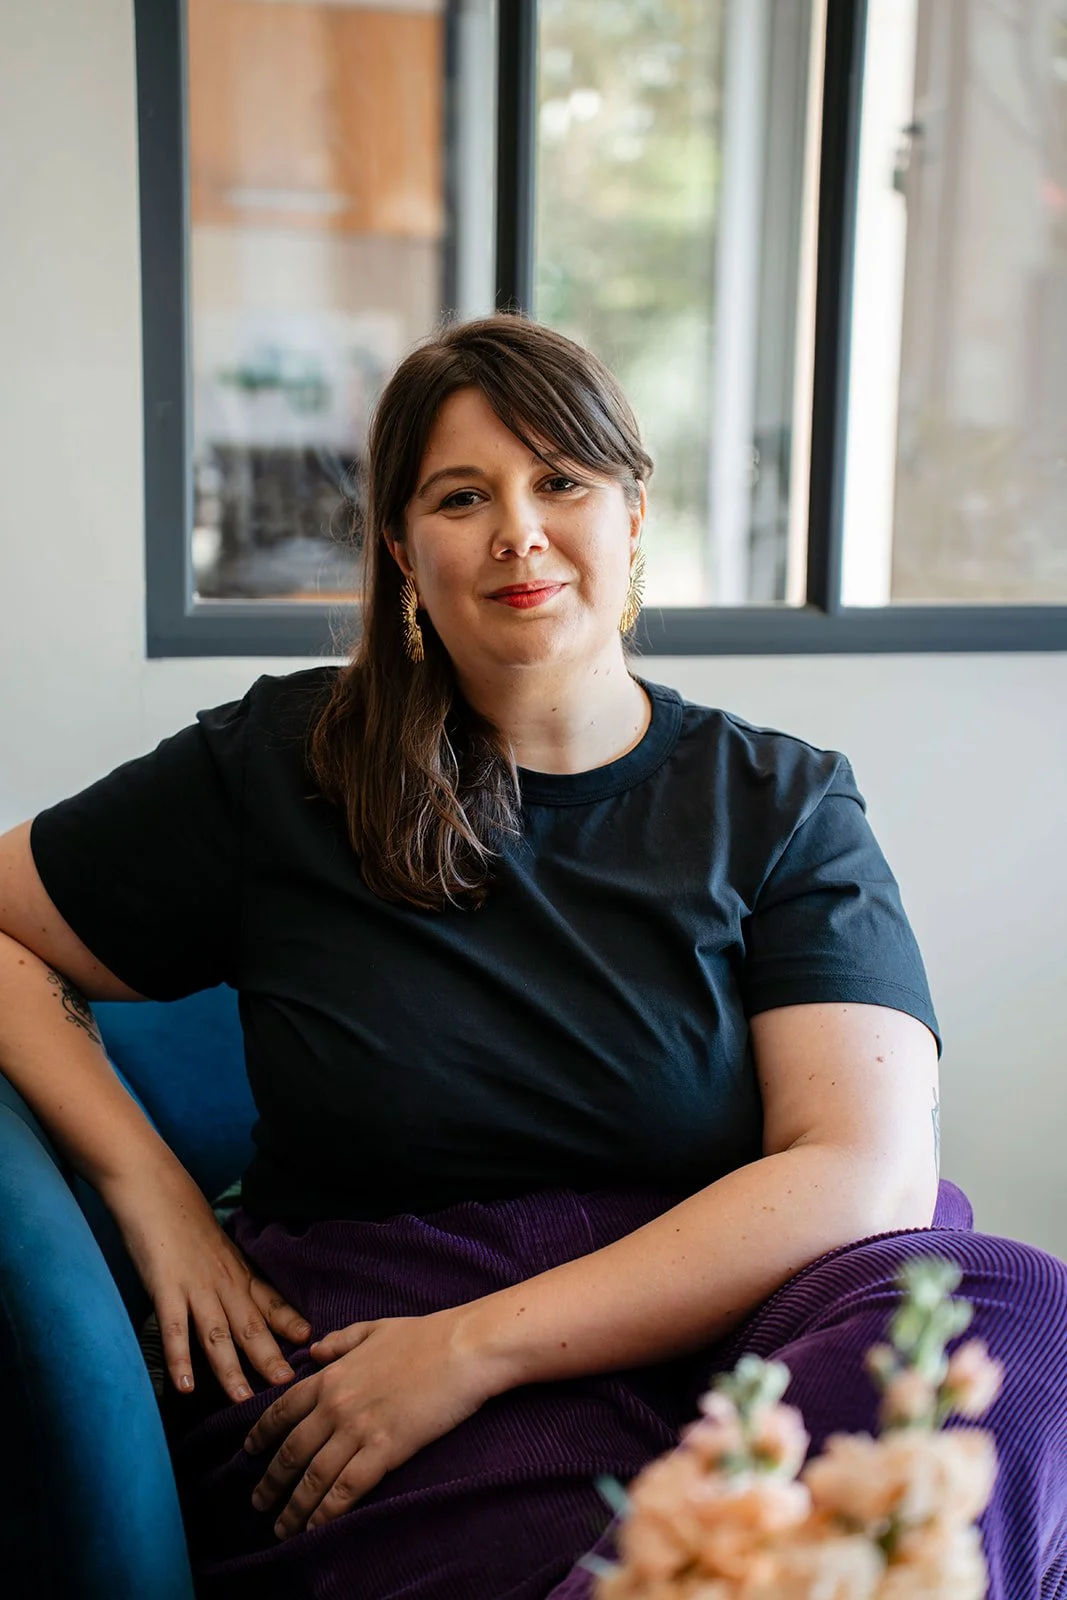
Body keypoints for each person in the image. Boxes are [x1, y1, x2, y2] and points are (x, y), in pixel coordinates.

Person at [0, 315, 1063, 1600]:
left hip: (732, 1319)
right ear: (399, 546)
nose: (517, 529)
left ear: (630, 515)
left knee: (1016, 1326)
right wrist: (153, 1191)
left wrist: (480, 1349)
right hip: (385, 1355)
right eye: (462, 495)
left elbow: (864, 1168)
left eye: (560, 480)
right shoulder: (278, 767)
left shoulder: (779, 802)